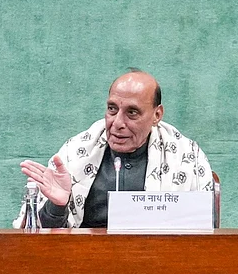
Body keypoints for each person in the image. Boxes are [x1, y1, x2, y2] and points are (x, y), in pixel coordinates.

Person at [17, 70, 214, 228]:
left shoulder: (187, 159)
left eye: (132, 112)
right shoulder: (75, 154)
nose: (117, 123)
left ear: (157, 115)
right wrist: (58, 206)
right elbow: (39, 243)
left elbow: (204, 238)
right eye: (112, 109)